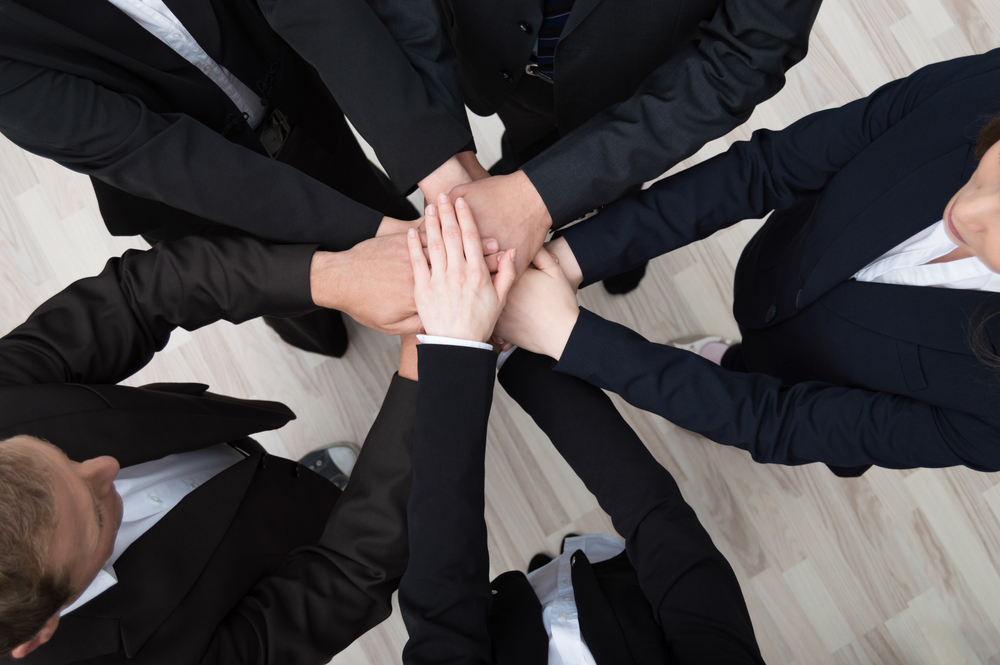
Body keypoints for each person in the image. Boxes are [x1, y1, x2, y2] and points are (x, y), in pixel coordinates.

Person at [494, 48, 1000, 476]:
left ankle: (734, 366)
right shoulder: (987, 87)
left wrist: (567, 335)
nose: (967, 211)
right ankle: (735, 360)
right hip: (777, 266)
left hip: (815, 387)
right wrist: (570, 258)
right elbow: (768, 168)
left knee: (750, 381)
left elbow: (778, 421)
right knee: (746, 351)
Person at [0, 232, 424, 663]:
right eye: (94, 511)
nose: (107, 465)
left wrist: (329, 276)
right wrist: (428, 369)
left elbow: (136, 295)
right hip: (274, 564)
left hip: (229, 458)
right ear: (40, 631)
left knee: (282, 495)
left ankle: (288, 487)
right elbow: (343, 580)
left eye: (60, 456)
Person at [0, 0, 485, 355]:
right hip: (193, 195)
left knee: (361, 187)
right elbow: (162, 155)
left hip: (288, 86)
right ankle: (316, 333)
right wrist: (398, 250)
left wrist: (432, 179)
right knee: (288, 291)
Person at [396, 196, 764, 663]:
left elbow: (442, 604)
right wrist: (526, 351)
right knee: (607, 565)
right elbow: (663, 527)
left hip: (517, 627)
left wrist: (458, 349)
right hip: (625, 595)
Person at [426, 0, 823, 292]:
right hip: (498, 63)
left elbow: (749, 54)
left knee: (619, 186)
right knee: (523, 144)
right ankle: (520, 165)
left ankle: (616, 253)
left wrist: (540, 194)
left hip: (631, 89)